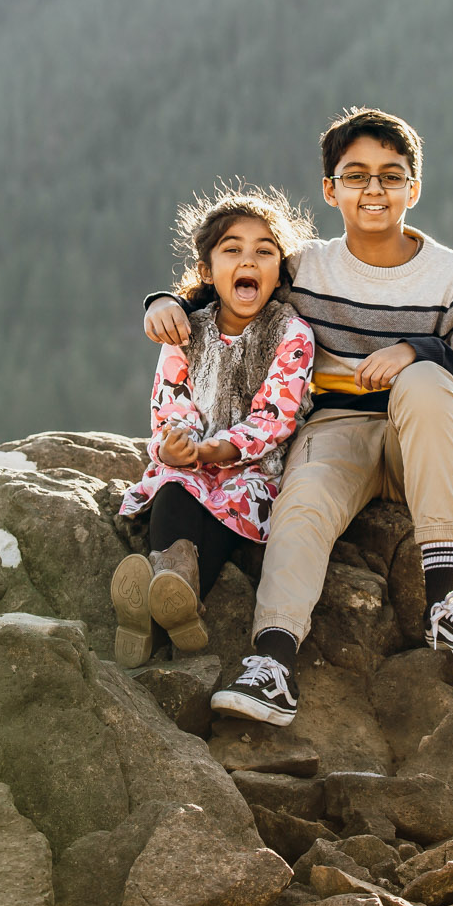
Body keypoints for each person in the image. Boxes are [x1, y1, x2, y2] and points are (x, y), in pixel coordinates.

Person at [144, 108, 453, 727]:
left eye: (391, 176)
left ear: (414, 189)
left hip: (422, 441)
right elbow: (236, 288)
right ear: (330, 189)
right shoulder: (307, 267)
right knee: (303, 498)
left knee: (425, 378)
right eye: (357, 175)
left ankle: (446, 598)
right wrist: (166, 302)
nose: (374, 190)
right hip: (334, 429)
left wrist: (418, 350)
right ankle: (273, 661)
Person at [112, 186, 317, 669]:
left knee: (233, 502)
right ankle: (174, 588)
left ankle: (160, 607)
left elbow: (275, 417)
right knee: (177, 489)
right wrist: (176, 446)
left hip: (250, 468)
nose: (249, 259)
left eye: (264, 252)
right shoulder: (187, 330)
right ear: (207, 271)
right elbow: (170, 403)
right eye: (233, 250)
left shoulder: (290, 333)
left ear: (277, 272)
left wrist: (215, 452)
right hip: (192, 466)